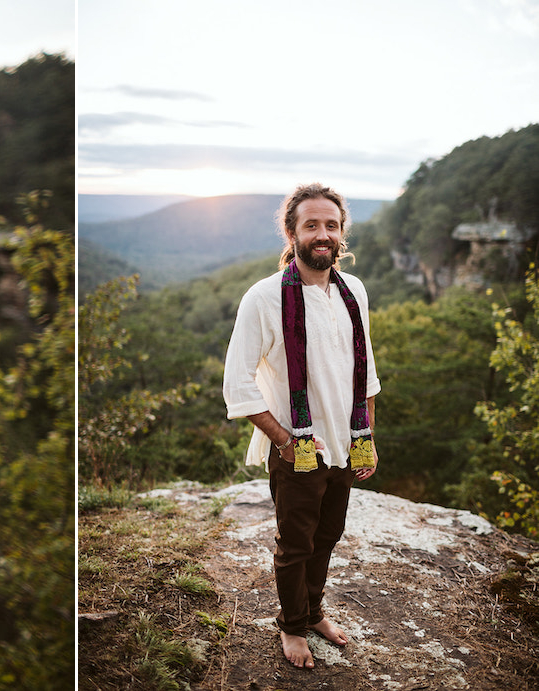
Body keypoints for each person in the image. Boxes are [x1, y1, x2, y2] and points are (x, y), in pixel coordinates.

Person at [222, 182, 380, 669]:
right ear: (291, 232)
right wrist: (285, 442)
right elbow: (237, 384)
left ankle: (312, 612)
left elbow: (366, 373)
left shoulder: (355, 291)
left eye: (331, 225)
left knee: (328, 535)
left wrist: (366, 440)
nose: (322, 234)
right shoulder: (264, 298)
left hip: (344, 444)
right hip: (299, 449)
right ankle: (292, 627)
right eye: (311, 225)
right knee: (295, 545)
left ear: (341, 234)